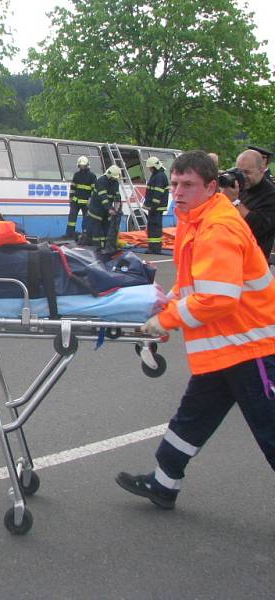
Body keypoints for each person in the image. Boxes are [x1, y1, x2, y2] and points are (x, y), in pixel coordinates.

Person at [116, 150, 275, 509]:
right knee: (192, 417)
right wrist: (163, 305)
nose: (178, 191)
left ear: (211, 187)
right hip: (227, 347)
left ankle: (164, 482)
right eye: (174, 183)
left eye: (188, 185)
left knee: (271, 431)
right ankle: (164, 483)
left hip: (251, 349)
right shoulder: (196, 220)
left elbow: (218, 299)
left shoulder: (218, 228)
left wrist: (164, 320)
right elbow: (192, 285)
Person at [221, 149, 275, 260]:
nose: (242, 177)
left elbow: (257, 227)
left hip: (254, 262)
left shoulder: (271, 194)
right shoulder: (239, 187)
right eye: (239, 172)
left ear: (261, 169)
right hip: (230, 255)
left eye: (247, 172)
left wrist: (234, 202)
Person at [83, 165, 121, 250]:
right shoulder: (101, 181)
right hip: (96, 210)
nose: (115, 179)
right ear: (109, 175)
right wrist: (109, 209)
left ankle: (106, 247)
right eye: (114, 178)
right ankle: (95, 248)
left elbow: (117, 196)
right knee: (96, 232)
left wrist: (117, 208)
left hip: (106, 211)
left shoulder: (115, 182)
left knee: (106, 229)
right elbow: (103, 197)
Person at [143, 156, 170, 254]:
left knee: (154, 228)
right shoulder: (158, 175)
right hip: (156, 207)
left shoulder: (159, 176)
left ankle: (154, 248)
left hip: (156, 207)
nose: (149, 169)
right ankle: (154, 248)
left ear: (154, 167)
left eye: (150, 167)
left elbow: (157, 193)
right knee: (153, 227)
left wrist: (153, 206)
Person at [65, 156, 96, 239]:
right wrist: (71, 198)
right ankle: (69, 235)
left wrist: (91, 199)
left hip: (87, 203)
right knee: (71, 219)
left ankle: (85, 236)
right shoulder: (76, 174)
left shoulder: (92, 176)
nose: (82, 167)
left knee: (86, 220)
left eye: (83, 165)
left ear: (87, 165)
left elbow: (94, 190)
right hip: (75, 201)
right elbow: (73, 187)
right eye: (80, 165)